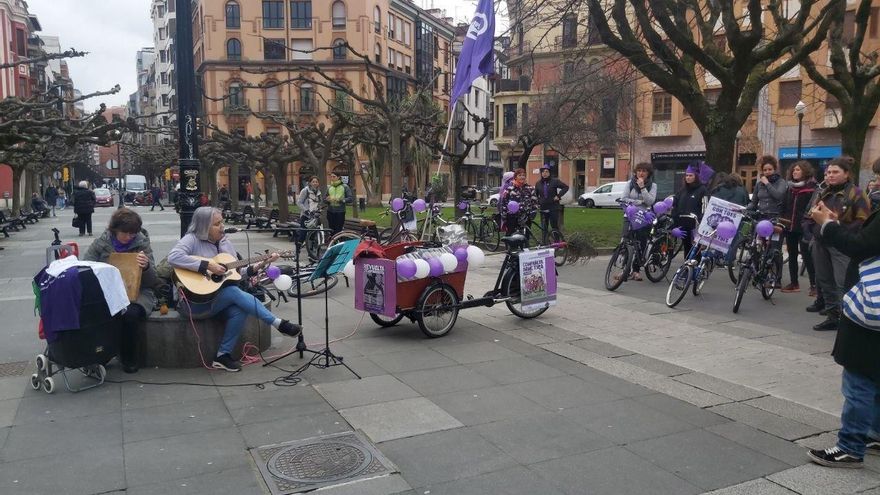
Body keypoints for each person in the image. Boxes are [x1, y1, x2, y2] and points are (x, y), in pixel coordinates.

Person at [167, 207, 302, 372]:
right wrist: (208, 265)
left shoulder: (225, 243)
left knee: (239, 309)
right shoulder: (191, 240)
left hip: (216, 300)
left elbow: (238, 274)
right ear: (203, 226)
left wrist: (261, 264)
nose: (222, 226)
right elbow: (173, 257)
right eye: (217, 224)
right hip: (194, 303)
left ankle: (222, 356)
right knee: (232, 292)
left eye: (222, 222)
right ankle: (278, 323)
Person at [806, 200, 880, 469]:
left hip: (871, 311)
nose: (875, 182)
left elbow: (859, 246)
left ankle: (850, 446)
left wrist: (828, 226)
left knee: (859, 377)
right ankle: (876, 432)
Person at [82, 209, 158, 373]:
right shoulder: (102, 243)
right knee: (100, 312)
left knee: (130, 314)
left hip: (138, 292)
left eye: (133, 233)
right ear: (114, 230)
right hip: (108, 292)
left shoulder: (142, 243)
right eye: (125, 233)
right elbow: (85, 267)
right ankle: (101, 354)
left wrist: (146, 267)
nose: (129, 237)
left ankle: (129, 358)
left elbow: (153, 281)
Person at [805, 157, 871, 331]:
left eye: (835, 172)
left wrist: (838, 225)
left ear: (846, 174)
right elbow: (810, 216)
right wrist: (812, 231)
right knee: (825, 281)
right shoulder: (822, 192)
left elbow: (863, 221)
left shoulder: (856, 193)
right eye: (828, 172)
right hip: (820, 242)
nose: (830, 175)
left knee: (843, 283)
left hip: (841, 244)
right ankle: (832, 316)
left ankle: (848, 319)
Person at [781, 160, 818, 294]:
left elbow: (813, 208)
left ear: (805, 171)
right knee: (792, 255)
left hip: (804, 227)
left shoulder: (812, 188)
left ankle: (814, 285)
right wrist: (783, 220)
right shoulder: (789, 188)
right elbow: (784, 206)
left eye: (798, 170)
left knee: (807, 256)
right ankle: (794, 283)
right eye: (794, 170)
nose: (795, 172)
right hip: (790, 226)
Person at [620, 162, 658, 280]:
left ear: (648, 173)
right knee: (626, 241)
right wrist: (640, 202)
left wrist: (642, 188)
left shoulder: (653, 186)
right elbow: (624, 199)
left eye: (644, 171)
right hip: (630, 215)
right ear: (635, 172)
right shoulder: (630, 183)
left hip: (644, 217)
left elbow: (650, 201)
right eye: (639, 170)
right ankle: (624, 270)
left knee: (640, 243)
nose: (641, 173)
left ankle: (636, 270)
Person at [672, 165, 708, 258]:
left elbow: (705, 207)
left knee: (695, 249)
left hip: (695, 225)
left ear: (696, 177)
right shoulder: (682, 190)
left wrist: (701, 223)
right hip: (683, 224)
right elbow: (675, 204)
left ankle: (695, 268)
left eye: (690, 175)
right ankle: (687, 268)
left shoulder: (702, 190)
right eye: (687, 175)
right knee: (687, 248)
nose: (688, 177)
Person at [534, 164, 570, 236]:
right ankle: (545, 243)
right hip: (543, 208)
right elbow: (536, 195)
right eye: (543, 172)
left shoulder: (554, 181)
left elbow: (566, 187)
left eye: (547, 171)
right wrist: (537, 203)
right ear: (541, 173)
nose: (545, 173)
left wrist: (558, 196)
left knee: (554, 226)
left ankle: (556, 242)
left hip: (553, 207)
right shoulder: (538, 183)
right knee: (544, 227)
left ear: (549, 173)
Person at [500, 168, 536, 235]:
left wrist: (533, 212)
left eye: (523, 175)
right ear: (515, 177)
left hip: (526, 217)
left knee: (525, 237)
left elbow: (534, 201)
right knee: (512, 237)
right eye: (520, 175)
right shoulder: (509, 189)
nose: (522, 177)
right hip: (512, 217)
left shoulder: (530, 188)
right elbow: (504, 204)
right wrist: (504, 217)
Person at [297, 176, 323, 242]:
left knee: (313, 234)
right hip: (305, 216)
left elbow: (319, 203)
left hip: (315, 216)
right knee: (303, 233)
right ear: (310, 183)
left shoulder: (319, 192)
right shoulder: (305, 190)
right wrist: (305, 210)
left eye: (316, 182)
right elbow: (299, 202)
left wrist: (320, 209)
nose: (315, 183)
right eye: (313, 182)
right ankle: (298, 249)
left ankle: (311, 249)